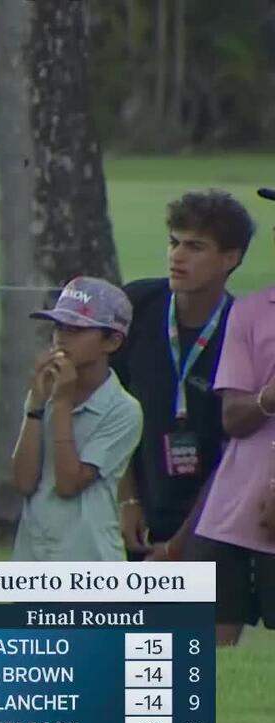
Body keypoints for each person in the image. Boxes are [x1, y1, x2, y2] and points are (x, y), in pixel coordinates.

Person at [116, 191, 254, 565]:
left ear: (231, 257)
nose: (177, 255)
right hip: (137, 517)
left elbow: (236, 454)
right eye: (174, 242)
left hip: (213, 524)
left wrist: (181, 544)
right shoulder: (138, 306)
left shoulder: (244, 329)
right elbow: (108, 411)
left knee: (191, 625)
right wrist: (126, 500)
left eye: (195, 247)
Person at [191, 186, 275, 646]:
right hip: (234, 510)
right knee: (203, 648)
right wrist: (268, 398)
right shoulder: (250, 312)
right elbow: (234, 417)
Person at [10, 277, 144, 562]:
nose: (62, 338)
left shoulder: (123, 410)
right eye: (59, 326)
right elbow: (23, 481)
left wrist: (61, 403)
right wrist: (35, 406)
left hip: (89, 559)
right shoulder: (45, 391)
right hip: (33, 558)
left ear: (112, 340)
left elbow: (69, 483)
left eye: (77, 329)